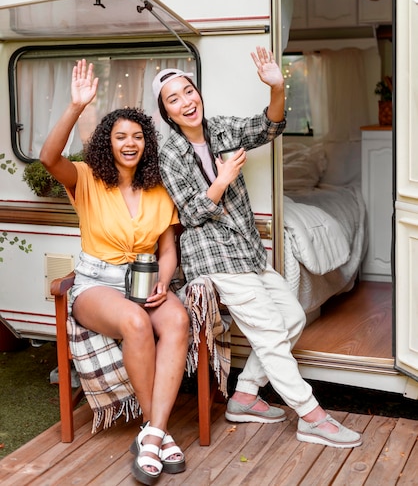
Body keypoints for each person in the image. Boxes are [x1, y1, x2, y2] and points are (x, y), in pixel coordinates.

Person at [153, 46, 362, 449]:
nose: (185, 101)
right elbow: (192, 213)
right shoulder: (169, 155)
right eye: (173, 99)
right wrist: (224, 177)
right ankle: (312, 416)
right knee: (268, 333)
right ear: (167, 113)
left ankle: (245, 394)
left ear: (198, 94)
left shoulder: (222, 129)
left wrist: (277, 87)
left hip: (247, 250)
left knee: (292, 318)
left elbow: (270, 126)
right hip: (212, 254)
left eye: (188, 91)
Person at [40, 59, 190, 485]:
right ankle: (156, 430)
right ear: (107, 142)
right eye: (121, 136)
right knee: (135, 321)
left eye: (138, 136)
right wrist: (74, 107)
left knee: (177, 318)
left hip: (145, 281)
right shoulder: (86, 178)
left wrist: (165, 277)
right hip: (96, 286)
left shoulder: (159, 189)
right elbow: (48, 157)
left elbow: (168, 247)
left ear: (147, 144)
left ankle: (153, 434)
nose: (130, 143)